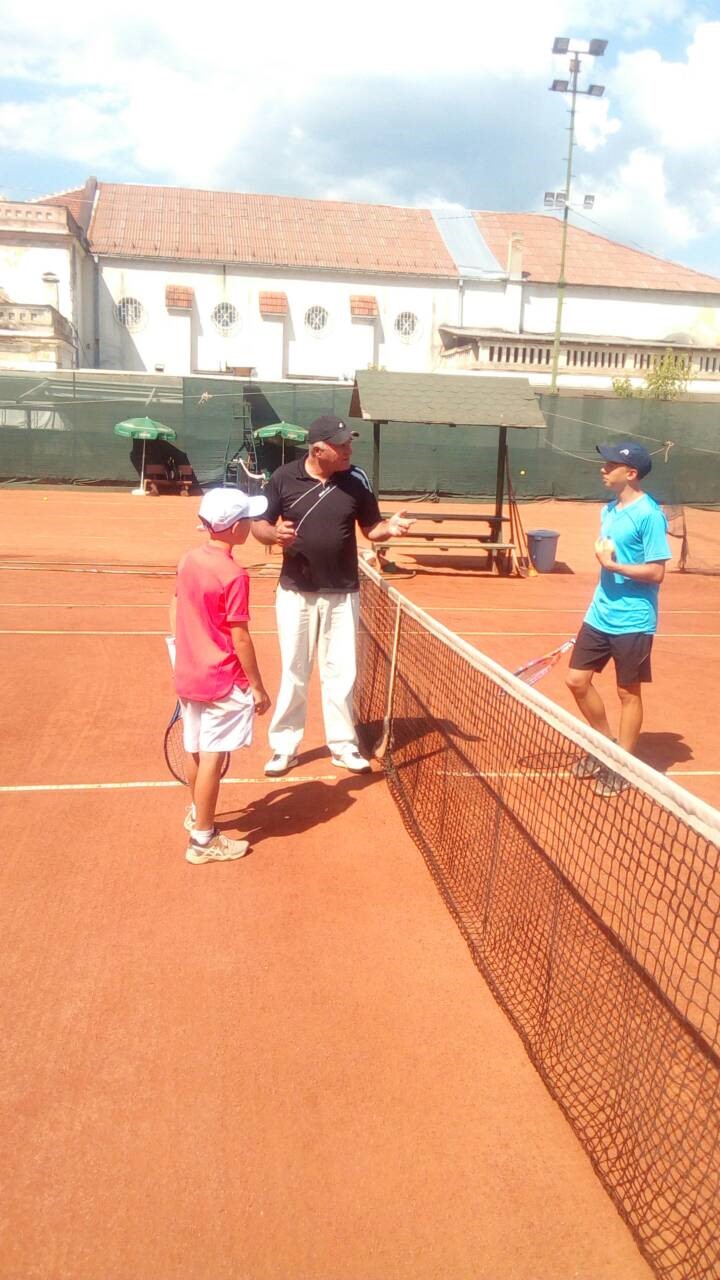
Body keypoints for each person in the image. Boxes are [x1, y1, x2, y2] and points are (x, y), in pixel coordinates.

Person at [251, 414, 414, 776]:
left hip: (343, 592)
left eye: (349, 443)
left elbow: (372, 528)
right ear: (317, 450)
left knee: (341, 671)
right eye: (341, 445)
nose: (348, 450)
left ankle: (343, 745)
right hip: (295, 592)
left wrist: (391, 528)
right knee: (294, 670)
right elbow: (258, 525)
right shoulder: (283, 478)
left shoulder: (356, 479)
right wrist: (273, 535)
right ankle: (284, 747)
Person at [170, 487, 271, 863]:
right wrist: (258, 687)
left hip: (189, 674)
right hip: (222, 680)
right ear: (233, 527)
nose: (250, 523)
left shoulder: (188, 560)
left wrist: (180, 652)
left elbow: (176, 605)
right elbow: (240, 636)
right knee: (213, 755)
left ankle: (198, 813)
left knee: (195, 749)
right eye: (246, 518)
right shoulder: (234, 575)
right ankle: (203, 840)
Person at [566, 440, 671, 795]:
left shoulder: (649, 515)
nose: (603, 469)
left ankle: (623, 764)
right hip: (600, 613)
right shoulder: (608, 511)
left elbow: (657, 572)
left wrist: (613, 566)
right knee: (576, 681)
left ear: (631, 473)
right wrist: (607, 571)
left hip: (634, 620)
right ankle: (605, 745)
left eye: (611, 465)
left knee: (628, 692)